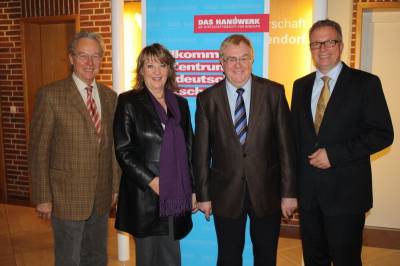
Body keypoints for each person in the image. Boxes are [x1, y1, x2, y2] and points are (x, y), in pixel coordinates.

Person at [291, 19, 394, 266]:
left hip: (346, 196)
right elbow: (295, 139)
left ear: (341, 45)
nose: (322, 48)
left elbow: (382, 134)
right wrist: (290, 190)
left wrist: (334, 155)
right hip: (308, 197)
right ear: (310, 48)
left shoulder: (366, 83)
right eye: (316, 43)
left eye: (329, 42)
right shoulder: (300, 86)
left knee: (346, 260)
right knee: (314, 260)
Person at [193, 34, 297, 266]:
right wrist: (203, 195)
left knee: (266, 256)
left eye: (243, 58)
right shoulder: (207, 99)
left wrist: (289, 192)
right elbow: (201, 152)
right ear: (221, 63)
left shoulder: (274, 93)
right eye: (231, 59)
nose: (238, 65)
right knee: (228, 257)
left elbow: (286, 147)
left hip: (267, 191)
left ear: (252, 60)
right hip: (225, 193)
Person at [28, 31, 120, 266]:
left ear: (102, 60)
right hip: (65, 198)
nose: (90, 63)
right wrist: (42, 197)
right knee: (69, 258)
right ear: (71, 58)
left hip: (100, 197)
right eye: (83, 56)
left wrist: (115, 187)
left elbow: (112, 149)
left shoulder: (111, 98)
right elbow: (39, 151)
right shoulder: (51, 95)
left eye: (96, 56)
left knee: (97, 257)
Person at [113, 43, 196, 266]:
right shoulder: (128, 101)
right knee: (147, 259)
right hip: (145, 196)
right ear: (142, 70)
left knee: (171, 258)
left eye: (162, 65)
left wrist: (194, 190)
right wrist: (152, 181)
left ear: (170, 69)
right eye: (150, 66)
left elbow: (190, 150)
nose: (157, 72)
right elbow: (124, 150)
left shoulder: (181, 104)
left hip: (175, 194)